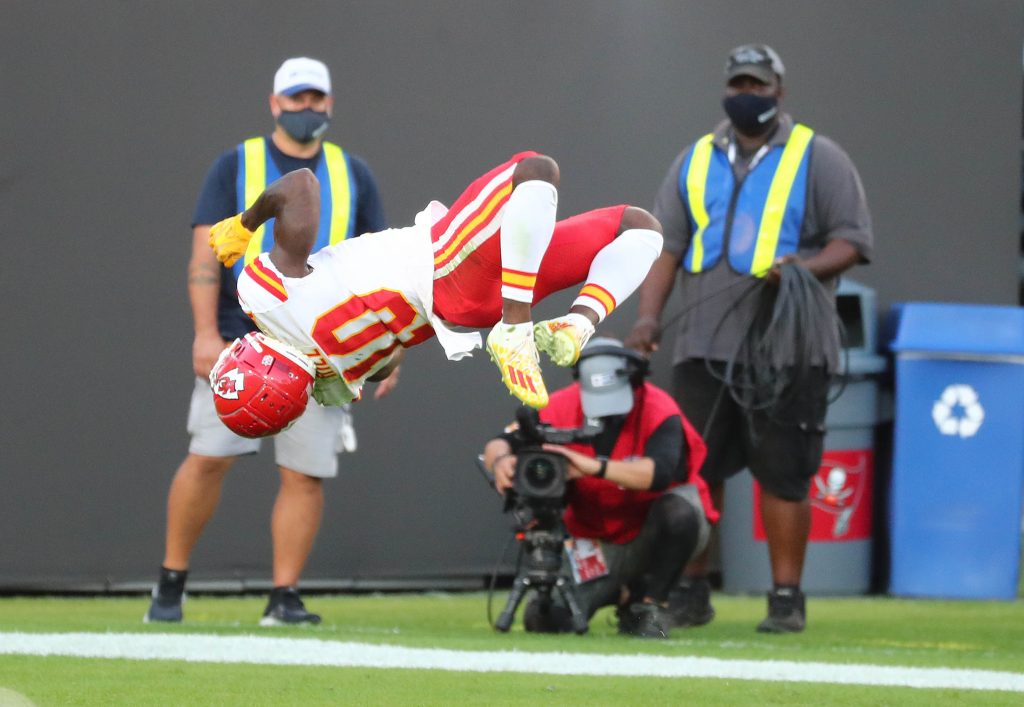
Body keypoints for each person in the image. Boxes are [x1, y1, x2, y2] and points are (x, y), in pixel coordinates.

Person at [625, 44, 873, 633]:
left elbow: (853, 240)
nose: (748, 95)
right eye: (739, 84)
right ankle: (690, 590)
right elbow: (668, 247)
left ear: (779, 93)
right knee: (691, 472)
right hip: (703, 348)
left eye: (758, 86)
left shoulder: (819, 157)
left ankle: (785, 598)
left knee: (784, 473)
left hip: (786, 348)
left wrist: (802, 268)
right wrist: (647, 318)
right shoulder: (694, 160)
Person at [146, 57, 388, 626]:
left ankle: (284, 596)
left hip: (322, 346)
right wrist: (205, 333)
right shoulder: (236, 164)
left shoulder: (354, 172)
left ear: (330, 103)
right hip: (242, 340)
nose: (307, 109)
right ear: (275, 103)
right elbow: (206, 257)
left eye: (316, 99)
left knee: (305, 473)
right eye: (296, 98)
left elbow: (377, 266)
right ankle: (171, 581)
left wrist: (381, 348)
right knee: (209, 457)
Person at [204, 150, 664, 432]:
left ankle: (576, 325)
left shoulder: (336, 383)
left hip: (466, 310)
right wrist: (246, 224)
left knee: (637, 228)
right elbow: (301, 186)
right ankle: (519, 327)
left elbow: (387, 363)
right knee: (535, 172)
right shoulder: (265, 297)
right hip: (446, 263)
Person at [483, 338, 718, 638]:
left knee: (680, 512)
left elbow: (659, 473)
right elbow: (499, 441)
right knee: (545, 620)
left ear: (634, 384)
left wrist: (590, 466)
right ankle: (622, 593)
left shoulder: (659, 409)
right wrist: (501, 461)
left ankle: (651, 604)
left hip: (649, 531)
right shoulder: (560, 405)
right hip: (592, 538)